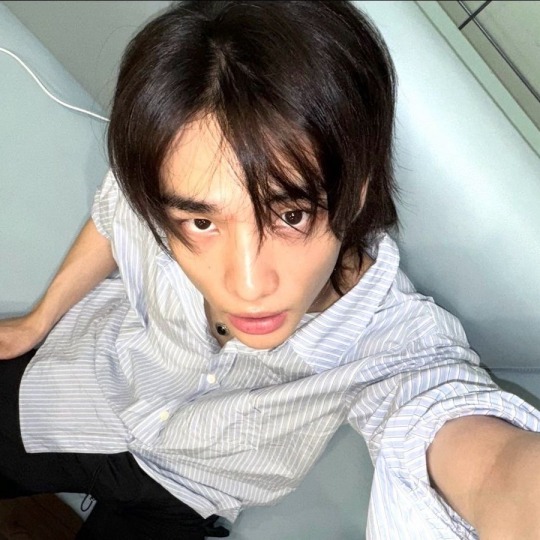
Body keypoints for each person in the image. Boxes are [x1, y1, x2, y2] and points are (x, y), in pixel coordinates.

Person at [1, 1, 540, 538]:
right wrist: (38, 320)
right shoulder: (165, 181)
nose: (248, 285)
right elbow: (116, 207)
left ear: (356, 193)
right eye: (202, 223)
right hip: (74, 390)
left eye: (291, 215)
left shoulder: (390, 342)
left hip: (185, 494)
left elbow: (490, 465)